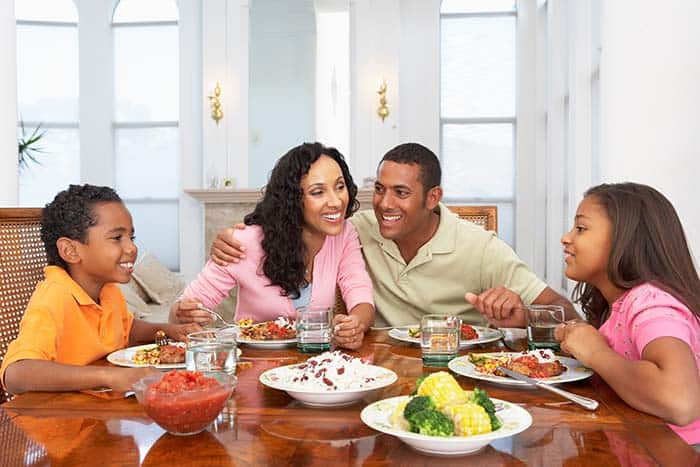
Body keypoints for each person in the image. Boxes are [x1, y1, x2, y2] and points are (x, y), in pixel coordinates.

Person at [204, 142, 575, 328]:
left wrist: (522, 314)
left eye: (401, 193)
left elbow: (567, 314)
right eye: (379, 189)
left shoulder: (481, 248)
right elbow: (295, 219)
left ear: (433, 198)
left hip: (458, 372)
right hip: (380, 370)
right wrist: (237, 235)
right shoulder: (355, 229)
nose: (384, 204)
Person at [169, 142, 374, 349]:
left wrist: (357, 323)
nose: (336, 201)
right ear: (293, 200)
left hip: (313, 365)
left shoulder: (344, 234)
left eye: (340, 187)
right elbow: (182, 311)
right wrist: (185, 312)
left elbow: (359, 292)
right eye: (318, 192)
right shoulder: (243, 242)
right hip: (253, 366)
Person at [0, 184, 200, 395]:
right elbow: (16, 374)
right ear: (70, 250)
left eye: (131, 238)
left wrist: (168, 330)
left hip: (97, 409)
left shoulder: (107, 290)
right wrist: (107, 376)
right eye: (117, 238)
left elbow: (126, 328)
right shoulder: (54, 297)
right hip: (62, 417)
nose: (132, 248)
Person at [555, 182, 700, 445]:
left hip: (675, 452)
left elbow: (680, 401)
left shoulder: (651, 304)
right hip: (639, 442)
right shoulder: (620, 302)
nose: (566, 238)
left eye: (581, 228)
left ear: (626, 240)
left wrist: (596, 353)